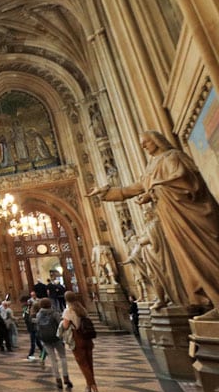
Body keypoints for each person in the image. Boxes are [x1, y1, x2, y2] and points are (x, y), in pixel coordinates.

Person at [87, 130, 219, 314]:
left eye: (146, 142)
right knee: (186, 256)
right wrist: (106, 192)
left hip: (190, 215)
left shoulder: (173, 157)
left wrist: (154, 190)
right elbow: (135, 188)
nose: (143, 146)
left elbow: (187, 182)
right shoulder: (151, 166)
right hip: (171, 217)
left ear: (157, 141)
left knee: (204, 252)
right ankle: (208, 298)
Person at [62, 291, 101, 392]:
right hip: (88, 339)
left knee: (83, 366)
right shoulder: (82, 308)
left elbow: (65, 326)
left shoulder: (68, 311)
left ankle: (95, 391)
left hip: (77, 339)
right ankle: (89, 388)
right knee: (89, 364)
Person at [36, 298, 72, 390]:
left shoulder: (39, 314)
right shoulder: (54, 313)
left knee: (53, 360)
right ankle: (66, 377)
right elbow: (61, 325)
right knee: (62, 357)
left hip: (45, 339)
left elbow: (38, 327)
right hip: (56, 338)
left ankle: (58, 379)